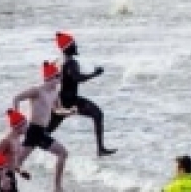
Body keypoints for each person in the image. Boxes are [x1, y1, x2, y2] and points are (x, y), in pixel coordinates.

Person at [45, 33, 115, 156]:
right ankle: (100, 149)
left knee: (45, 132)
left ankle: (21, 152)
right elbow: (78, 78)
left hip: (59, 102)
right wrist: (95, 74)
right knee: (98, 114)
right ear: (68, 47)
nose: (76, 46)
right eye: (73, 44)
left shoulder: (58, 62)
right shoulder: (71, 62)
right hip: (71, 102)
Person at [11, 63, 69, 192]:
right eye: (57, 76)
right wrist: (17, 117)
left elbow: (57, 110)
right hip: (33, 130)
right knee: (63, 153)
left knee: (17, 163)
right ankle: (57, 188)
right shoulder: (37, 90)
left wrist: (69, 112)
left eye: (59, 77)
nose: (59, 80)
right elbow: (17, 98)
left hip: (41, 131)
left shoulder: (54, 93)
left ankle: (11, 175)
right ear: (49, 78)